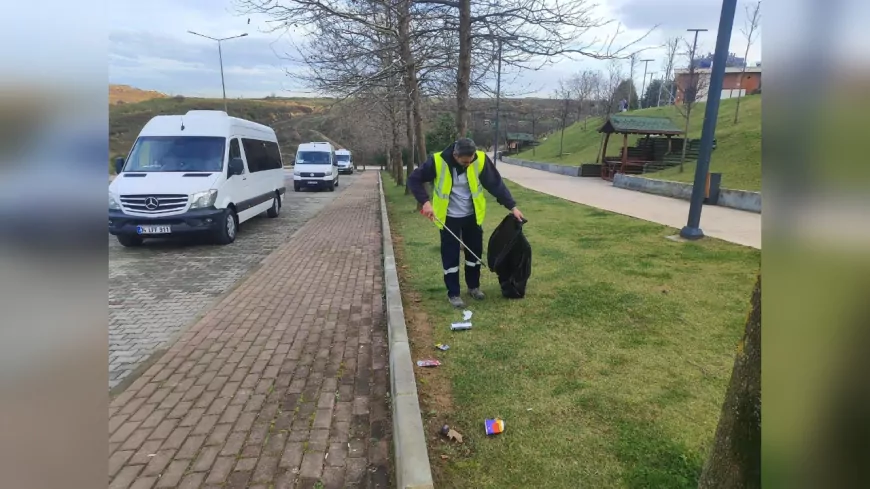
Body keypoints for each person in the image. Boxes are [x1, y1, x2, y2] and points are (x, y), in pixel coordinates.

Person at [407, 138, 524, 308]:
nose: (468, 164)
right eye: (464, 162)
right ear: (455, 155)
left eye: (470, 161)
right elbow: (414, 179)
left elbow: (496, 185)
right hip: (448, 218)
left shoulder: (480, 160)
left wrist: (512, 206)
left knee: (474, 255)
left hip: (472, 216)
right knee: (451, 257)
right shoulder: (438, 161)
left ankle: (473, 287)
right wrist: (425, 202)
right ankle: (453, 293)